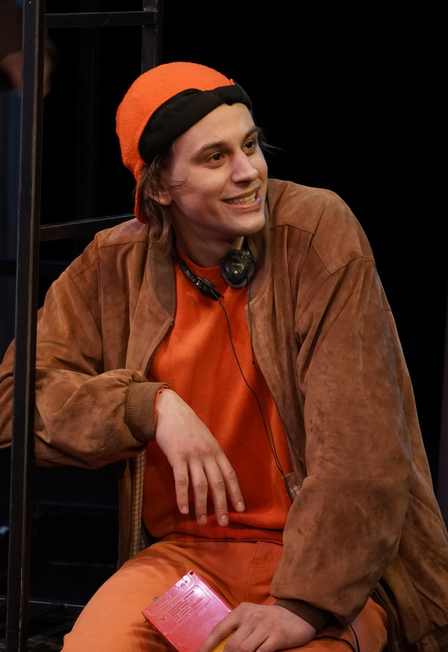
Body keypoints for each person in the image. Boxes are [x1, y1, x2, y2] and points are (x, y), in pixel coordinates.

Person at [1, 62, 448, 652]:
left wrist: (303, 605)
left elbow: (362, 449)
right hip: (183, 562)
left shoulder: (315, 230)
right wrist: (147, 407)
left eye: (250, 145)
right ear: (159, 187)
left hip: (321, 566)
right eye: (215, 157)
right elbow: (15, 402)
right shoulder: (114, 264)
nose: (248, 172)